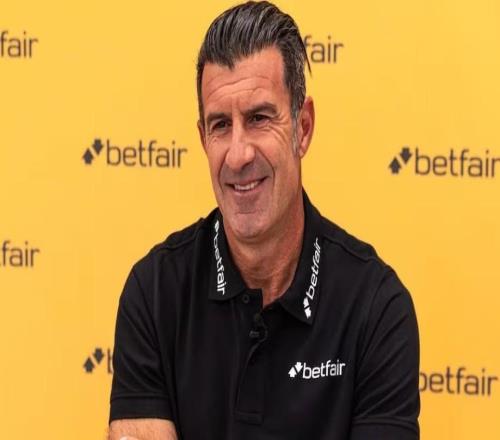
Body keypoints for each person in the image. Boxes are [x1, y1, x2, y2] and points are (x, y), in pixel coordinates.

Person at [108, 1, 420, 439]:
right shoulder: (155, 292)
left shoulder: (376, 306)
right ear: (203, 139)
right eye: (220, 125)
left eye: (258, 118)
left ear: (302, 127)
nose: (238, 155)